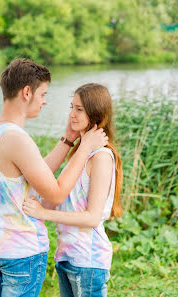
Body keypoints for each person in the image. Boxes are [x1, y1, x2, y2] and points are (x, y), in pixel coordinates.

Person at [0, 59, 108, 297]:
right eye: (43, 94)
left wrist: (68, 141)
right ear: (27, 92)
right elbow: (55, 192)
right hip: (20, 252)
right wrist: (85, 147)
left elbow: (36, 175)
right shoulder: (18, 139)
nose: (45, 101)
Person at [23, 83, 123, 297]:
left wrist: (43, 214)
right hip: (66, 256)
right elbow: (55, 198)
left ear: (95, 113)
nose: (72, 115)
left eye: (79, 109)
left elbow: (92, 217)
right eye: (71, 107)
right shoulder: (79, 154)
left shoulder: (101, 157)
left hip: (88, 260)